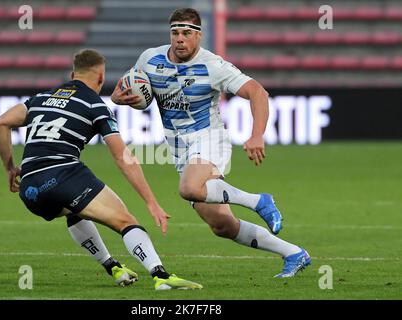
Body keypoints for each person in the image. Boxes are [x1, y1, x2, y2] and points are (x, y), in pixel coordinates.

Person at [111, 8, 311, 278]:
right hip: (179, 148)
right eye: (175, 33)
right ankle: (294, 253)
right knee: (222, 226)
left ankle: (259, 201)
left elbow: (257, 92)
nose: (179, 39)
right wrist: (118, 98)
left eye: (186, 33)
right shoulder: (150, 59)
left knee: (190, 187)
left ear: (199, 36)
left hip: (209, 138)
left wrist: (256, 135)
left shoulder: (213, 66)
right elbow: (124, 89)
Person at [0, 49, 202, 290]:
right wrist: (151, 202)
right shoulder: (94, 104)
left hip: (30, 189)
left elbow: (0, 123)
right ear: (101, 79)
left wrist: (10, 168)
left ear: (73, 74)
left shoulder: (40, 98)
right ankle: (161, 276)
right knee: (125, 221)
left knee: (74, 210)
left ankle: (114, 268)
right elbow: (123, 157)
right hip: (61, 173)